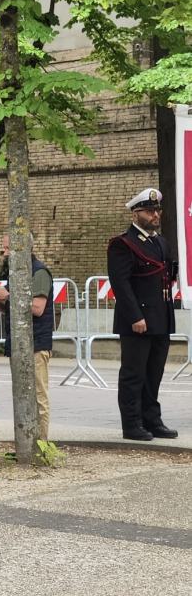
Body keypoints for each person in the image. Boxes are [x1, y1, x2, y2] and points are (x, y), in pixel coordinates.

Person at [106, 187, 178, 441]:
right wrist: (136, 316)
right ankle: (132, 423)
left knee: (154, 373)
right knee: (134, 374)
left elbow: (167, 276)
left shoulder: (160, 242)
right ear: (136, 214)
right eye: (149, 211)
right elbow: (121, 284)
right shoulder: (123, 244)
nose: (155, 214)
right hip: (137, 319)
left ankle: (152, 419)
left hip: (160, 316)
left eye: (157, 210)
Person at [0, 234, 54, 441]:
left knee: (39, 397)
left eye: (7, 248)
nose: (4, 253)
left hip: (36, 343)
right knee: (23, 395)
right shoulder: (18, 273)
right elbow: (10, 309)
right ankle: (26, 442)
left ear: (22, 249)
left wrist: (8, 296)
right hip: (20, 344)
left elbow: (38, 308)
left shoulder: (39, 272)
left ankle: (41, 444)